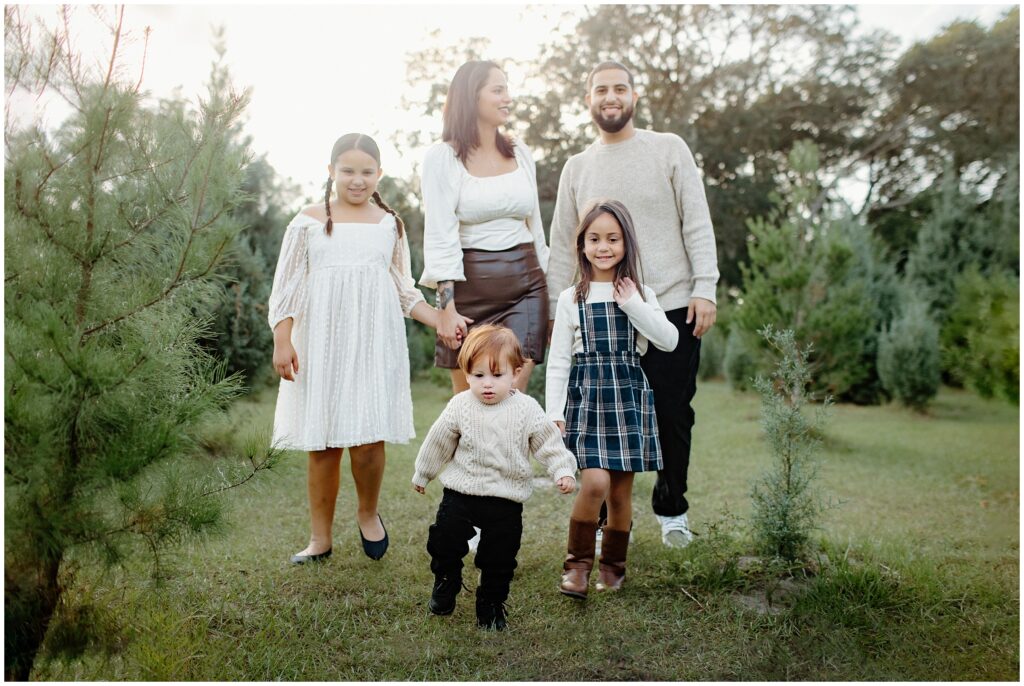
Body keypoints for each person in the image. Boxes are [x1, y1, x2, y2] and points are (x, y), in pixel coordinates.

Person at [546, 61, 720, 548]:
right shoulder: (577, 167)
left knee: (671, 412)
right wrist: (562, 309)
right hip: (600, 311)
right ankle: (604, 523)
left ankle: (671, 509)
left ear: (634, 96)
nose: (610, 96)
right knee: (602, 413)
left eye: (619, 87)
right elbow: (563, 243)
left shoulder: (668, 148)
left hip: (671, 303)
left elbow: (696, 221)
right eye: (601, 89)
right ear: (588, 100)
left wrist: (705, 286)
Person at [269, 133, 438, 565]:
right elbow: (286, 288)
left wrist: (440, 319)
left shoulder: (390, 224)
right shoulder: (305, 221)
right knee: (323, 444)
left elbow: (404, 290)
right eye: (348, 171)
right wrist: (283, 339)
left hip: (373, 342)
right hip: (320, 342)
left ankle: (367, 512)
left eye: (367, 172)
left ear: (379, 174)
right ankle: (319, 539)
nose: (357, 180)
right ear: (331, 172)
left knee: (367, 441)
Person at [419, 59, 552, 553]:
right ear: (472, 95)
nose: (507, 97)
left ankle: (501, 516)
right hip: (469, 291)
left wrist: (552, 295)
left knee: (509, 401)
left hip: (525, 285)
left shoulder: (521, 152)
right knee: (471, 409)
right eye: (498, 89)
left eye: (507, 89)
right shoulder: (443, 157)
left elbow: (535, 226)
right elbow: (440, 233)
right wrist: (447, 307)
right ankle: (466, 513)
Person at [546, 200, 678, 599]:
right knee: (596, 483)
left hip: (627, 397)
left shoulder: (639, 292)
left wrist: (633, 303)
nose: (604, 246)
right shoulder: (572, 297)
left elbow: (668, 341)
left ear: (626, 243)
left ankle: (614, 566)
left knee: (620, 492)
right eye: (595, 238)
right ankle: (577, 566)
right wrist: (554, 412)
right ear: (582, 245)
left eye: (613, 238)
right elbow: (558, 361)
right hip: (588, 398)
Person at [413, 325, 576, 630]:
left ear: (515, 373)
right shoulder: (460, 405)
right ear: (467, 374)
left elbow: (548, 442)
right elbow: (439, 442)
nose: (487, 384)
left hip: (506, 499)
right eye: (478, 376)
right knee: (444, 540)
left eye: (497, 375)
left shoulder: (527, 409)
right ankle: (446, 579)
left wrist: (562, 470)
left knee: (499, 559)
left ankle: (490, 604)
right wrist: (424, 473)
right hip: (461, 494)